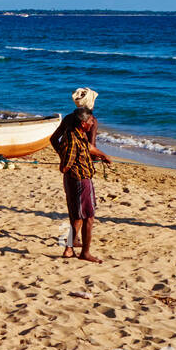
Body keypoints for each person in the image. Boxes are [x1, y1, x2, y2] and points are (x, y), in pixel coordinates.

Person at [50, 87, 112, 263]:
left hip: (70, 174)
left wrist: (64, 155)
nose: (91, 123)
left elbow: (55, 140)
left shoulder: (70, 119)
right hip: (80, 174)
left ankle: (71, 244)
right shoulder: (90, 121)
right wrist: (77, 159)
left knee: (75, 213)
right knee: (87, 217)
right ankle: (79, 250)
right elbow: (89, 146)